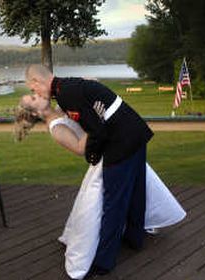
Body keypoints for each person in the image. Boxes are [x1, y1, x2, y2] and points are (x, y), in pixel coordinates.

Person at [15, 98, 186, 279]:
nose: (37, 94)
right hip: (105, 159)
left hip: (117, 147)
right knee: (106, 207)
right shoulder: (56, 129)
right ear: (35, 113)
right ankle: (104, 256)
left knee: (137, 190)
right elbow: (81, 149)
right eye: (33, 98)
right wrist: (102, 122)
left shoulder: (63, 104)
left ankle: (133, 234)